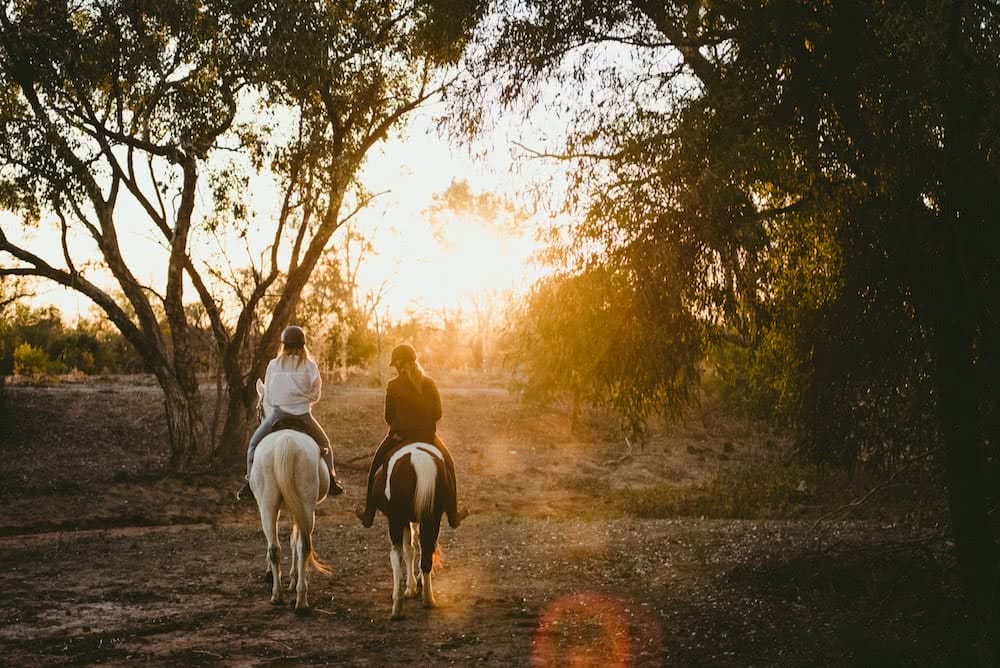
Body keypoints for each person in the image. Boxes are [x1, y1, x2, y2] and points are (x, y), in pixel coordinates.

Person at [355, 343, 468, 528]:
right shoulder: (429, 383)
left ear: (398, 365)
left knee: (375, 467)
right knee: (449, 465)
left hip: (399, 437)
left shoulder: (392, 385)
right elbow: (438, 413)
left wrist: (402, 425)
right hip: (428, 438)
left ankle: (369, 514)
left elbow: (388, 416)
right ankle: (453, 515)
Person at [237, 325, 345, 501]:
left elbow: (268, 394)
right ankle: (332, 481)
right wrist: (303, 400)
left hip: (278, 415)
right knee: (325, 444)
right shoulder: (310, 366)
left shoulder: (274, 365)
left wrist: (282, 399)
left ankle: (250, 483)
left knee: (253, 446)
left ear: (284, 345)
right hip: (303, 416)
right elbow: (316, 395)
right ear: (303, 345)